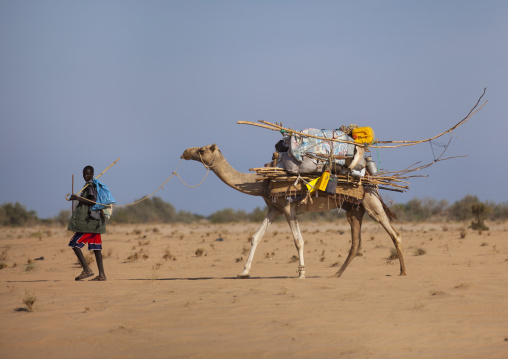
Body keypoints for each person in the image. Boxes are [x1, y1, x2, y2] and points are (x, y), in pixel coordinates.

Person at [68, 165, 108, 281]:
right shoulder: (91, 185)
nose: (86, 176)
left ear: (92, 174)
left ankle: (87, 270)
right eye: (84, 174)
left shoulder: (91, 186)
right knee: (97, 249)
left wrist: (77, 198)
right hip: (96, 223)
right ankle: (102, 275)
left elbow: (93, 201)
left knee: (74, 244)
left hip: (89, 223)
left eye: (88, 174)